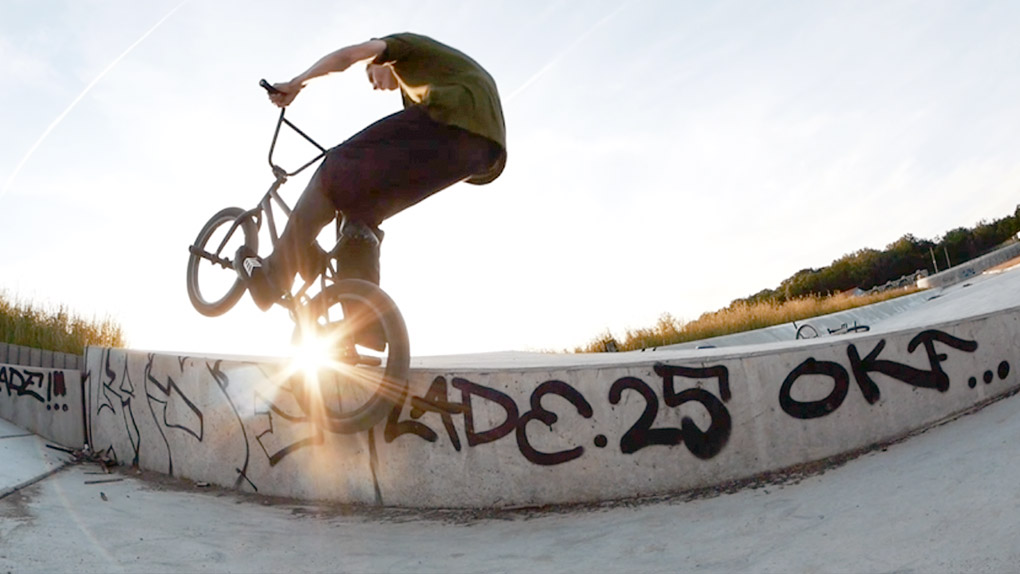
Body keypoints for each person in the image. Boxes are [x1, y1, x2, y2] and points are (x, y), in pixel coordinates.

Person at [236, 32, 506, 322]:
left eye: (371, 75)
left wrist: (296, 83)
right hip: (481, 152)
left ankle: (274, 274)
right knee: (360, 213)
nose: (375, 86)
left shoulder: (403, 46)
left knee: (336, 169)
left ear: (382, 61)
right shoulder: (420, 90)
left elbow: (346, 57)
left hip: (456, 115)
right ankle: (363, 323)